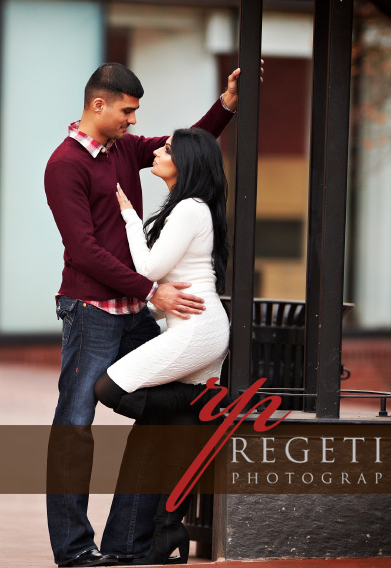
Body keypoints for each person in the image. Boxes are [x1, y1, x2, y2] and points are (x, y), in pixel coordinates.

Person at [44, 62, 247, 567]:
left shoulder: (122, 150)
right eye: (128, 112)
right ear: (100, 105)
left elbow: (188, 148)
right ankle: (73, 552)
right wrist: (152, 290)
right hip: (91, 311)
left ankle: (129, 542)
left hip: (134, 312)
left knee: (164, 415)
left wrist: (226, 104)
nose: (136, 124)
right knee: (74, 426)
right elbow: (85, 250)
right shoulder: (65, 165)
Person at [93, 128, 231, 565]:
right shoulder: (188, 208)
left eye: (168, 149)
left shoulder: (190, 209)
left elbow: (150, 268)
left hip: (196, 330)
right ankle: (167, 531)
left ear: (187, 162)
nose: (156, 150)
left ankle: (206, 398)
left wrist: (130, 216)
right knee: (176, 431)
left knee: (110, 388)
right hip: (193, 329)